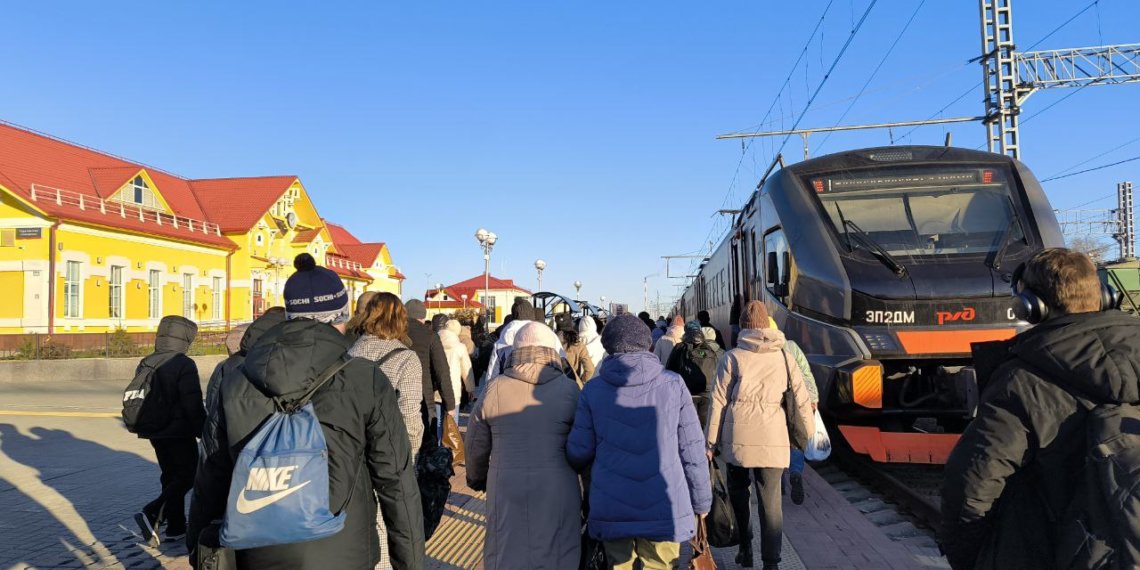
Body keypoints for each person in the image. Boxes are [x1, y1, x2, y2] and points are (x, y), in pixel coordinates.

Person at [189, 253, 424, 569]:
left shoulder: (236, 379)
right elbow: (396, 480)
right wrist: (409, 563)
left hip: (257, 549)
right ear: (340, 317)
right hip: (346, 551)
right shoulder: (363, 378)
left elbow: (211, 474)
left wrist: (198, 548)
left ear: (289, 315)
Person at [941, 248, 1140, 570]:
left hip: (1053, 549)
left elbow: (972, 485)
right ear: (1104, 296)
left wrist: (970, 558)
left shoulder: (1022, 380)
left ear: (1031, 307)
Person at [567, 314, 712, 570]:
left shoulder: (592, 390)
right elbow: (692, 452)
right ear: (648, 344)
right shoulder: (674, 385)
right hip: (664, 506)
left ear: (608, 347)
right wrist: (701, 501)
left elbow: (578, 452)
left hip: (612, 507)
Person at [706, 301, 813, 569]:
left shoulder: (732, 357)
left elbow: (717, 402)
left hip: (737, 442)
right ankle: (772, 563)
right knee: (771, 502)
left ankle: (746, 549)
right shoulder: (786, 358)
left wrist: (710, 443)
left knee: (739, 494)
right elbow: (802, 400)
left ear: (743, 327)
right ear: (767, 326)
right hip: (773, 440)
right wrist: (806, 436)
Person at [466, 323, 582, 569]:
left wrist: (477, 478)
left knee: (507, 549)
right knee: (559, 551)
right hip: (559, 487)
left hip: (506, 486)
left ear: (514, 350)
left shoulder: (494, 388)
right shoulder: (570, 390)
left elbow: (476, 442)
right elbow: (584, 445)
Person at [188, 308, 285, 561]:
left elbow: (212, 451)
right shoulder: (286, 370)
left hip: (231, 484)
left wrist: (195, 538)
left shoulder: (228, 366)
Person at [132, 315, 205, 547]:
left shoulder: (148, 360)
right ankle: (153, 512)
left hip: (155, 430)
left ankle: (175, 527)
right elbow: (192, 402)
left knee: (170, 476)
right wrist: (204, 430)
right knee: (190, 475)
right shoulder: (183, 363)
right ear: (185, 337)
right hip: (179, 431)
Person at [769, 317, 818, 507]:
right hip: (795, 400)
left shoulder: (760, 351)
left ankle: (779, 479)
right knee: (795, 439)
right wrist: (813, 398)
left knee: (776, 440)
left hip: (774, 403)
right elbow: (806, 373)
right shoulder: (791, 346)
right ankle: (796, 472)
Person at [405, 299, 455, 454]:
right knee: (428, 446)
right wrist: (450, 405)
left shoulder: (395, 332)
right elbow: (442, 372)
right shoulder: (430, 335)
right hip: (424, 399)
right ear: (422, 317)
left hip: (398, 396)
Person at [665, 322, 723, 428]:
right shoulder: (710, 350)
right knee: (704, 425)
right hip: (706, 393)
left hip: (686, 392)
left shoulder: (680, 347)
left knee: (688, 425)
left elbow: (669, 369)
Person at [438, 319, 475, 421]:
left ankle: (438, 437)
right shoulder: (460, 347)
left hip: (436, 388)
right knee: (452, 424)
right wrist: (470, 389)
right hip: (453, 389)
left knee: (438, 422)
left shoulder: (435, 343)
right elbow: (466, 370)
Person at [562, 319, 594, 385]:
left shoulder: (551, 342)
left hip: (554, 387)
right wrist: (581, 381)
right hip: (573, 384)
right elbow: (590, 369)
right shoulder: (579, 345)